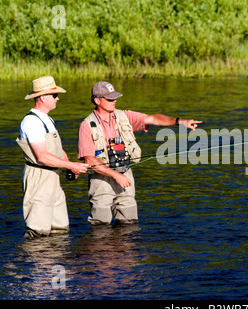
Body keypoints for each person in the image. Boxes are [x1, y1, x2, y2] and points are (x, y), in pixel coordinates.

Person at [78, 81, 202, 225]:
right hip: (101, 180)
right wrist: (115, 175)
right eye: (110, 98)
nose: (115, 101)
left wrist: (180, 121)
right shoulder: (86, 125)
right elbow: (90, 160)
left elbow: (153, 118)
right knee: (101, 225)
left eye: (115, 97)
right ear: (97, 100)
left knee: (129, 223)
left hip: (125, 174)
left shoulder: (124, 116)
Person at [16, 76, 89, 239]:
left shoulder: (47, 119)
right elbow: (42, 156)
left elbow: (57, 149)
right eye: (54, 95)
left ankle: (57, 262)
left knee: (59, 229)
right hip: (39, 178)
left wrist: (70, 164)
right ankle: (38, 262)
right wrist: (69, 166)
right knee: (38, 232)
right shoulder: (31, 122)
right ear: (43, 97)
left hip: (53, 177)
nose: (58, 99)